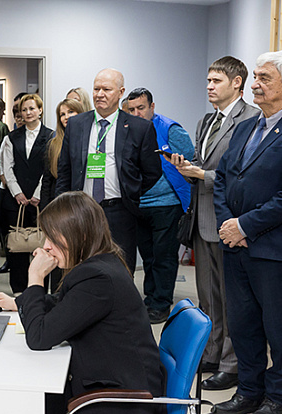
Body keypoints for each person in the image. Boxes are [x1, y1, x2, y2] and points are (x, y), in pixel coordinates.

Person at [0, 191, 171, 414]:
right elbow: (67, 303)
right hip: (108, 383)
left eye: (53, 238)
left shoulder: (97, 279)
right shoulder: (102, 263)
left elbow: (39, 338)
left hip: (116, 406)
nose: (46, 246)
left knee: (8, 411)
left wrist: (35, 279)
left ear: (80, 236)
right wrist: (19, 302)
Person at [170, 56, 258, 392]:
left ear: (237, 83)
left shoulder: (250, 119)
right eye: (208, 80)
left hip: (229, 219)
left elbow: (242, 174)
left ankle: (231, 364)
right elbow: (203, 162)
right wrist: (186, 168)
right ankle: (211, 352)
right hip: (201, 218)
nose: (209, 86)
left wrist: (202, 174)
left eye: (216, 81)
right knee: (207, 297)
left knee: (232, 300)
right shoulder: (206, 120)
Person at [213, 51, 282, 414]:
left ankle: (277, 398)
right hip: (235, 246)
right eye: (254, 76)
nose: (255, 84)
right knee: (243, 324)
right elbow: (223, 179)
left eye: (264, 78)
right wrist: (229, 225)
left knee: (277, 329)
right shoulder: (245, 128)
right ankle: (249, 390)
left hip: (271, 250)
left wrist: (245, 226)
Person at [56, 68, 162, 274]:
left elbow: (152, 171)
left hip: (120, 212)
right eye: (96, 89)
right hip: (82, 210)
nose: (100, 94)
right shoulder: (76, 124)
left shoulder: (139, 127)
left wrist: (131, 191)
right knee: (80, 268)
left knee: (120, 269)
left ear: (121, 92)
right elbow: (65, 170)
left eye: (106, 89)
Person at [127, 87, 195, 324]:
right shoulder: (127, 130)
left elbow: (191, 159)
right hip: (139, 204)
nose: (136, 114)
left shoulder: (170, 129)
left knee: (163, 256)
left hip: (167, 204)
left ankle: (161, 304)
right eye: (132, 109)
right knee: (148, 257)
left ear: (152, 107)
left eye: (141, 108)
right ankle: (151, 299)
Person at [0, 93, 53, 293]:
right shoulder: (11, 137)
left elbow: (49, 168)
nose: (28, 112)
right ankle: (19, 290)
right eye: (24, 109)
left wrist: (38, 193)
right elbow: (7, 168)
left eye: (32, 108)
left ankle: (39, 290)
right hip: (16, 201)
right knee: (17, 248)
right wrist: (17, 193)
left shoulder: (51, 136)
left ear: (40, 110)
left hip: (41, 199)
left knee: (44, 247)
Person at [39, 98, 85, 293]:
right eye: (62, 114)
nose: (66, 117)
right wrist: (45, 212)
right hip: (57, 207)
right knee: (57, 257)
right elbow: (47, 181)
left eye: (71, 112)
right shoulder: (54, 144)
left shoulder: (89, 141)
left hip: (80, 209)